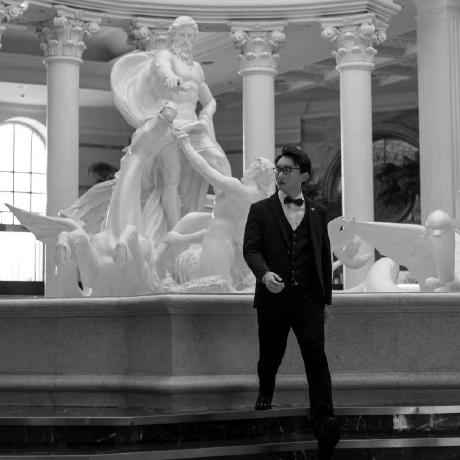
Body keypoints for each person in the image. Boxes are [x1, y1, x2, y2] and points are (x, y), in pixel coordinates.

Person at [243, 145, 339, 460]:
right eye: (278, 169)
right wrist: (264, 274)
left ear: (304, 176)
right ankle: (266, 390)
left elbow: (322, 257)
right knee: (271, 354)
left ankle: (324, 420)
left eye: (287, 169)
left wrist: (325, 301)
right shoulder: (260, 210)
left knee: (316, 356)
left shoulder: (318, 212)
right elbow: (250, 249)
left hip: (309, 299)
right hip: (273, 297)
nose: (280, 174)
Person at [111, 15, 231, 237]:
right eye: (182, 35)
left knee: (219, 163)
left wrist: (206, 115)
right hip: (169, 124)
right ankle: (176, 232)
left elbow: (209, 100)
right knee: (172, 177)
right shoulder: (164, 57)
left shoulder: (197, 68)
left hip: (194, 126)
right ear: (173, 36)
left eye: (190, 36)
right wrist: (170, 78)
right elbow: (162, 70)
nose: (186, 40)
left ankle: (227, 219)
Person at [156, 129, 275, 289]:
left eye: (248, 168)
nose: (245, 171)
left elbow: (205, 169)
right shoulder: (260, 202)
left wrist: (186, 145)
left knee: (208, 296)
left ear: (256, 172)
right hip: (230, 252)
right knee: (221, 296)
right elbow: (221, 229)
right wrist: (182, 239)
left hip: (215, 249)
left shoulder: (237, 188)